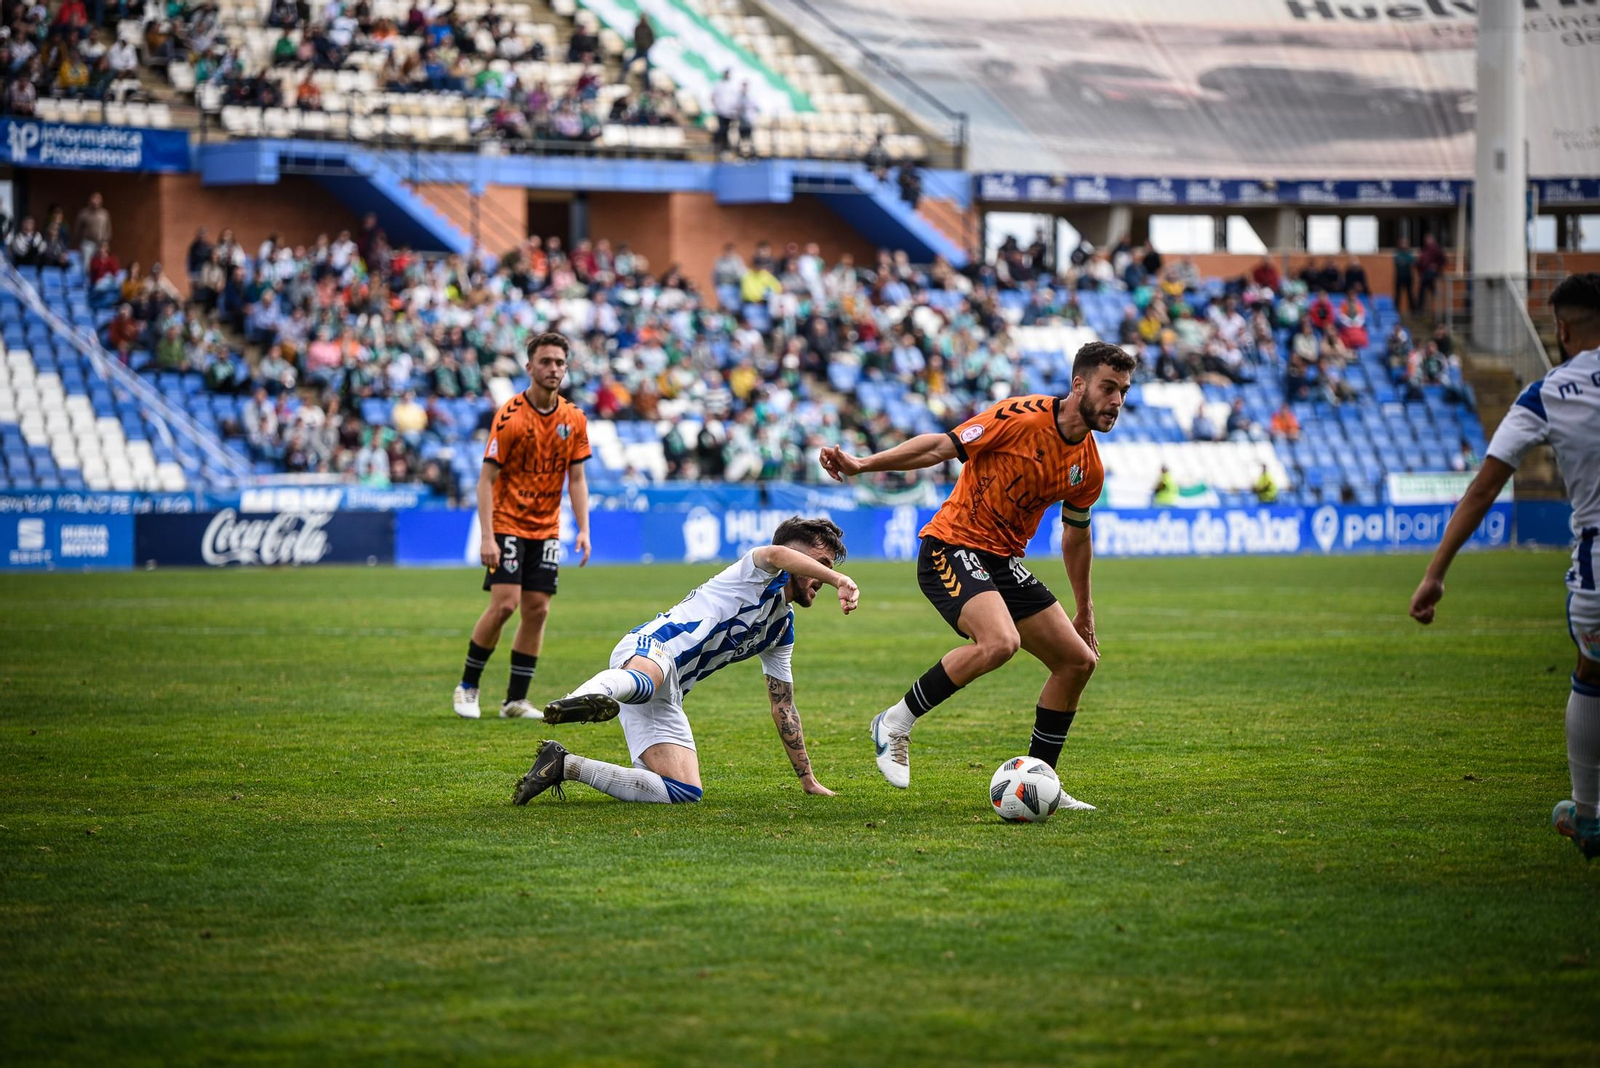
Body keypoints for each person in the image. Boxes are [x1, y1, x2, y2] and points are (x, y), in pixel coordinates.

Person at [819, 341, 1134, 804]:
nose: (1117, 401)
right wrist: (864, 464)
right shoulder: (1020, 416)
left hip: (1003, 562)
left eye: (1124, 392)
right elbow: (940, 448)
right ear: (1079, 384)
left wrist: (1084, 610)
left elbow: (1076, 536)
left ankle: (1038, 780)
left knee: (1077, 662)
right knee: (1000, 642)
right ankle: (895, 722)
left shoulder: (1088, 466)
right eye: (1108, 388)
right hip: (952, 544)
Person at [1409, 273, 1600, 859]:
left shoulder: (1549, 393)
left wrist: (1435, 571)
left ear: (1561, 329)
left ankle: (1589, 815)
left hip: (1599, 561)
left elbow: (1482, 491)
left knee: (1592, 674)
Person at [510, 517, 857, 806]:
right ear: (797, 558)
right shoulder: (754, 571)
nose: (823, 578)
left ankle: (563, 765)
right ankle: (577, 698)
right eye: (820, 565)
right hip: (650, 648)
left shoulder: (781, 629)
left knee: (683, 792)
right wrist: (839, 578)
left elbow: (784, 706)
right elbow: (777, 553)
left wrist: (808, 780)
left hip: (670, 691)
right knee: (647, 682)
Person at [453, 332, 593, 721]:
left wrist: (583, 529)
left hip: (546, 527)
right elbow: (486, 480)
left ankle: (515, 700)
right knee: (504, 605)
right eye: (546, 362)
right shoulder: (510, 416)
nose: (553, 369)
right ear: (529, 367)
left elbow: (577, 479)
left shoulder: (574, 418)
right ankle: (467, 687)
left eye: (560, 362)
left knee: (538, 610)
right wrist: (487, 536)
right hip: (507, 523)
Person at [711, 70, 739, 154]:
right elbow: (713, 96)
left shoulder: (732, 85)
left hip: (729, 112)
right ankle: (717, 144)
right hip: (721, 111)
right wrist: (716, 107)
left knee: (726, 129)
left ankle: (724, 147)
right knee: (722, 128)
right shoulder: (719, 85)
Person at [1392, 237, 1416, 314]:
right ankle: (1396, 310)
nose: (1403, 245)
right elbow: (1397, 261)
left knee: (1410, 294)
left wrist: (1404, 261)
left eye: (1404, 243)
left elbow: (1411, 261)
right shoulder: (1397, 252)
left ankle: (1413, 310)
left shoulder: (1409, 252)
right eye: (1402, 243)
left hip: (1408, 276)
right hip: (1399, 276)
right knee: (1398, 294)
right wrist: (1404, 261)